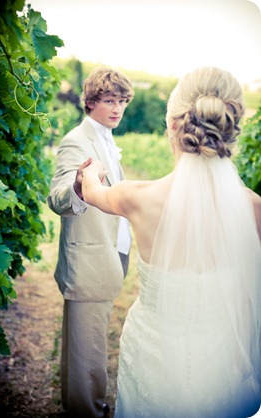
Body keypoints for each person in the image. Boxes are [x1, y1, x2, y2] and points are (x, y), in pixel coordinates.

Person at [80, 67, 261, 418]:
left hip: (152, 353)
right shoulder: (254, 208)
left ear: (173, 125)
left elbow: (91, 192)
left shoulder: (136, 196)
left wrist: (90, 172)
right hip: (223, 359)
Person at [47, 66, 134, 418]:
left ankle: (86, 407)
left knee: (88, 350)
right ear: (91, 101)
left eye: (122, 101)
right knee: (88, 353)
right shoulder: (77, 141)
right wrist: (79, 188)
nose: (117, 108)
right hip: (88, 264)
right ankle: (89, 412)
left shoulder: (107, 140)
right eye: (109, 100)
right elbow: (57, 197)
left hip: (107, 261)